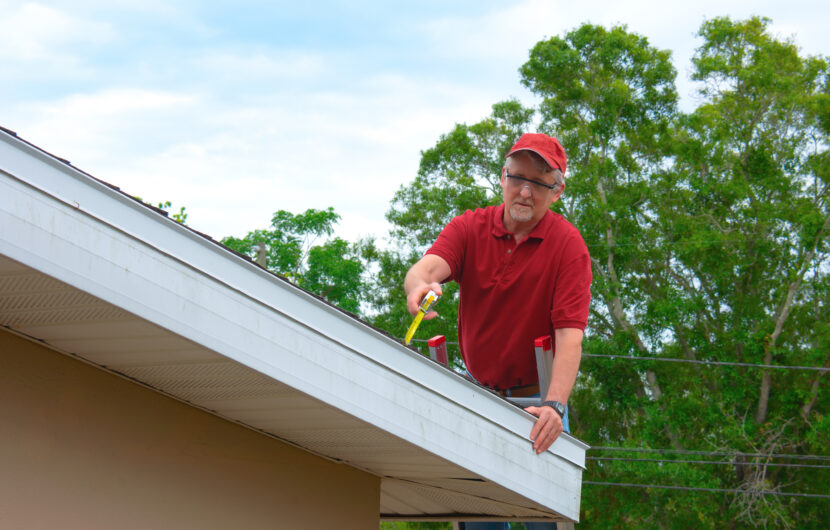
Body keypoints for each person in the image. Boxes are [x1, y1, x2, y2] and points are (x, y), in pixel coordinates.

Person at [404, 132, 592, 456]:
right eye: (517, 177)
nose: (525, 192)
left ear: (557, 191)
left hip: (536, 405)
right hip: (474, 390)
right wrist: (418, 286)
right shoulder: (470, 227)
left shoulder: (568, 247)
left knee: (532, 503)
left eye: (539, 183)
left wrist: (554, 406)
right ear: (503, 176)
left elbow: (569, 337)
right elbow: (426, 269)